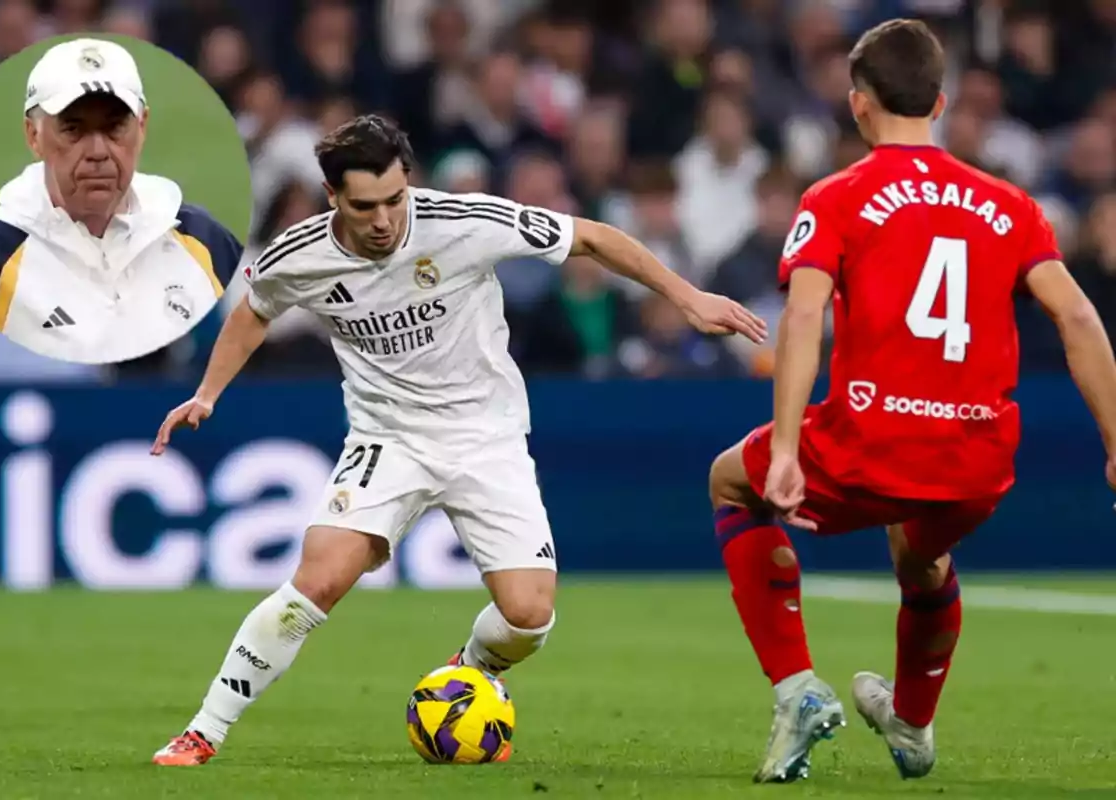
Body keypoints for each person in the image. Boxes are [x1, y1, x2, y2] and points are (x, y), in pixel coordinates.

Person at [148, 114, 768, 766]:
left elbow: (590, 237)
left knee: (529, 616)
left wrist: (689, 297)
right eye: (365, 206)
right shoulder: (297, 255)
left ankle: (468, 669)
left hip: (487, 436)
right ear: (334, 198)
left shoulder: (464, 222)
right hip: (388, 437)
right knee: (318, 579)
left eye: (395, 198)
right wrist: (208, 393)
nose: (386, 219)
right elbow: (255, 310)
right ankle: (205, 729)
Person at [706, 19, 1116, 784]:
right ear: (941, 99)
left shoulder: (837, 197)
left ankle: (796, 688)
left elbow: (803, 319)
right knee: (921, 555)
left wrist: (788, 447)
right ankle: (913, 725)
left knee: (732, 482)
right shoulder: (1012, 205)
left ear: (858, 104)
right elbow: (1079, 317)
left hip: (870, 442)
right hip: (978, 462)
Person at [0, 37, 242, 365]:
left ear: (141, 127)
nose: (98, 152)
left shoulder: (207, 245)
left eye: (115, 128)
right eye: (73, 129)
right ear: (33, 135)